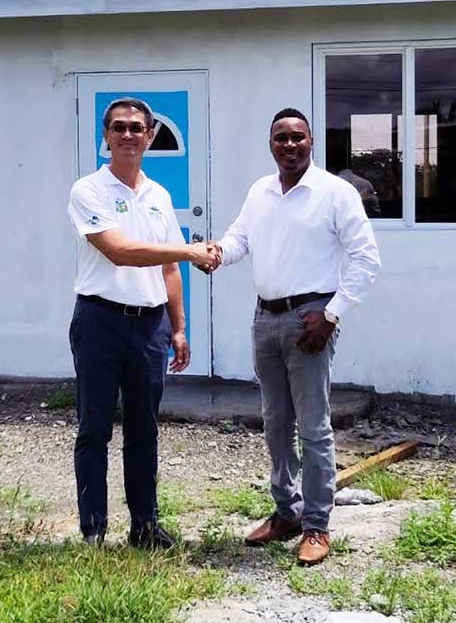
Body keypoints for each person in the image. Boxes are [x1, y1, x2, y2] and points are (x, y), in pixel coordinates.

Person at [209, 107, 380, 565]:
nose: (289, 144)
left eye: (297, 137)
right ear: (271, 145)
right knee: (275, 423)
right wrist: (213, 253)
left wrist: (332, 314)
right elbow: (238, 241)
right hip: (265, 320)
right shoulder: (259, 192)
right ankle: (286, 512)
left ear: (311, 142)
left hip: (310, 320)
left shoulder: (334, 193)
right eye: (280, 137)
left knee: (314, 427)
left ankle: (316, 526)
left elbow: (366, 259)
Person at [67, 97, 219, 549]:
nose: (129, 135)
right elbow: (119, 251)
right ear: (106, 137)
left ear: (150, 136)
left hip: (150, 327)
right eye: (119, 127)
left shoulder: (159, 196)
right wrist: (191, 250)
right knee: (94, 428)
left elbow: (168, 271)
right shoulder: (88, 190)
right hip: (100, 321)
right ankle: (93, 530)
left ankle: (145, 527)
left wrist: (179, 327)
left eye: (137, 128)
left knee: (143, 429)